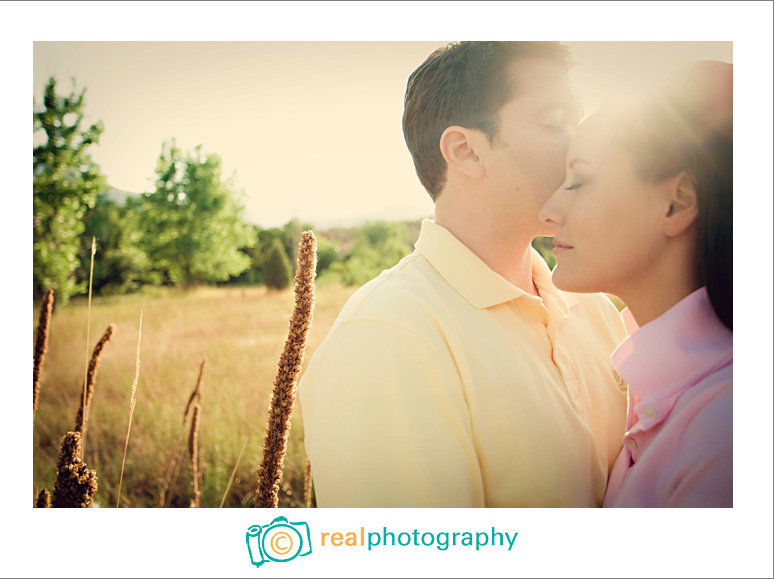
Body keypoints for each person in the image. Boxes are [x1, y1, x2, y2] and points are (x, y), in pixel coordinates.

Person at [298, 41, 629, 507]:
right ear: (466, 150)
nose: (584, 146)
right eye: (556, 121)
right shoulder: (388, 335)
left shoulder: (594, 305)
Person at [539, 61, 732, 507]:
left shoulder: (724, 428)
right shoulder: (657, 380)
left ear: (678, 202)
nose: (548, 210)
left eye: (579, 180)